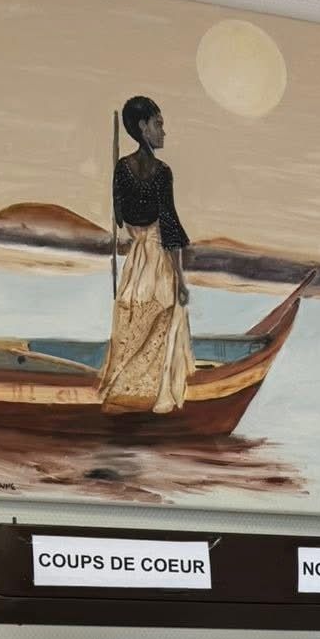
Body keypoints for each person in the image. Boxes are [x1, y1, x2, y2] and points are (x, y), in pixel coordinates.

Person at [101, 95, 195, 414]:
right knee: (162, 325)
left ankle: (124, 393)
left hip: (136, 263)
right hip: (157, 263)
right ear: (142, 127)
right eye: (158, 124)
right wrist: (181, 280)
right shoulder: (161, 172)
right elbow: (169, 229)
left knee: (133, 324)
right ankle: (150, 396)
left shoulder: (122, 169)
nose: (163, 131)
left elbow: (120, 218)